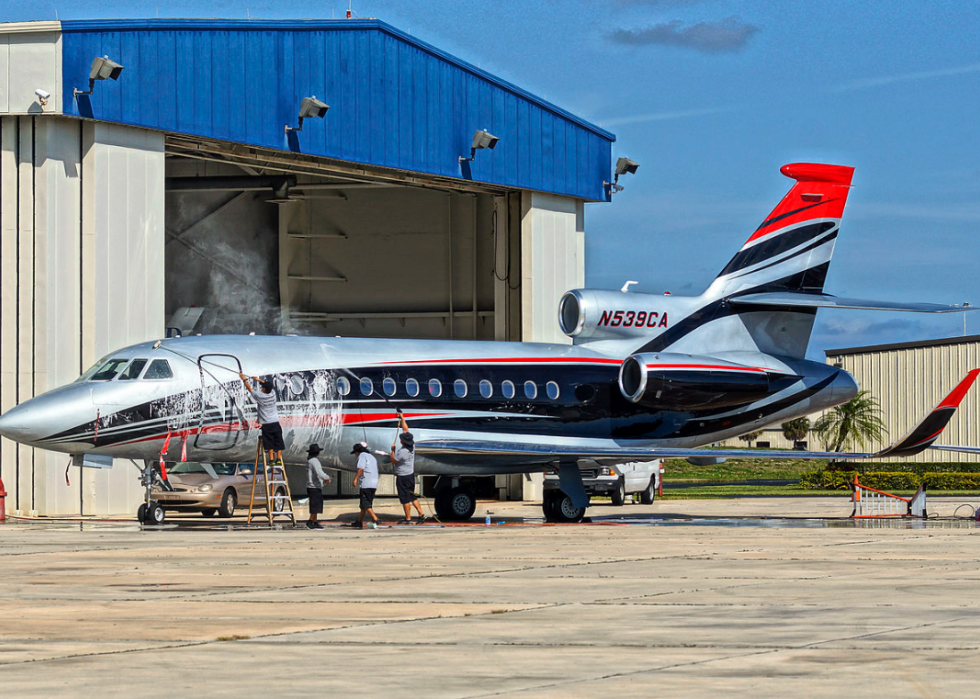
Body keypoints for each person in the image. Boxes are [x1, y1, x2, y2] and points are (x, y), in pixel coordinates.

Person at [240, 373, 284, 466]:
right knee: (278, 440)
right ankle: (278, 458)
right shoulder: (273, 394)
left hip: (266, 423)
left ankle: (271, 460)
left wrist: (244, 380)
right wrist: (258, 380)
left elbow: (250, 389)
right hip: (275, 421)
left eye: (262, 388)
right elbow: (269, 385)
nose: (261, 388)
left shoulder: (260, 396)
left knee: (269, 440)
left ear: (264, 389)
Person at [390, 410, 425, 524]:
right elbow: (406, 430)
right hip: (410, 476)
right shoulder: (412, 446)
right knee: (412, 496)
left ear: (403, 442)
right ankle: (421, 514)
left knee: (405, 498)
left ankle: (408, 519)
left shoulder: (402, 452)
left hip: (403, 477)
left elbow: (393, 461)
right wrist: (402, 418)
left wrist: (393, 451)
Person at [351, 442, 379, 529]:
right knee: (365, 504)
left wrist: (355, 479)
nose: (355, 455)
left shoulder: (362, 456)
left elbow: (361, 468)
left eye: (355, 453)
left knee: (365, 503)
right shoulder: (371, 457)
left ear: (357, 452)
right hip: (373, 483)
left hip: (366, 482)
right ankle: (359, 521)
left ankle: (375, 518)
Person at [305, 443, 332, 530]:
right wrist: (327, 478)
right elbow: (319, 473)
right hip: (314, 486)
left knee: (316, 504)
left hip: (312, 486)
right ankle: (310, 521)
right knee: (315, 505)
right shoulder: (314, 461)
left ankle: (315, 521)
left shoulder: (310, 460)